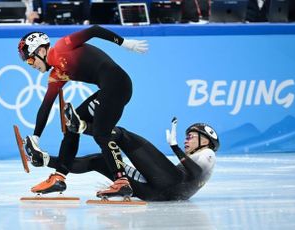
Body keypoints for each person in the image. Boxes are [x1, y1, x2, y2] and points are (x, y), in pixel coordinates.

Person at [18, 25, 148, 198]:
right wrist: (35, 137)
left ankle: (121, 182)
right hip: (110, 88)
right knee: (72, 126)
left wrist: (125, 43)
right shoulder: (57, 74)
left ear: (41, 51)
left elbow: (94, 30)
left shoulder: (62, 46)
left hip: (117, 84)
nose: (31, 65)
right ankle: (59, 177)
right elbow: (46, 105)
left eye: (30, 60)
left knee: (101, 134)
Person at [28, 110, 219, 201]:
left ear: (206, 141)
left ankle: (82, 126)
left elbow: (193, 173)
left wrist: (176, 147)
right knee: (99, 161)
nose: (187, 140)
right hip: (154, 193)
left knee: (122, 135)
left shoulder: (208, 153)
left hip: (170, 183)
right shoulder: (201, 153)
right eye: (186, 137)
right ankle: (43, 159)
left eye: (191, 136)